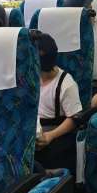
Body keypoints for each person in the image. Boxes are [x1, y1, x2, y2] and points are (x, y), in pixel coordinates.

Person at [34, 33, 82, 175]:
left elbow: (74, 118)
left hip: (54, 130)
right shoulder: (28, 79)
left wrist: (51, 135)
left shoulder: (66, 84)